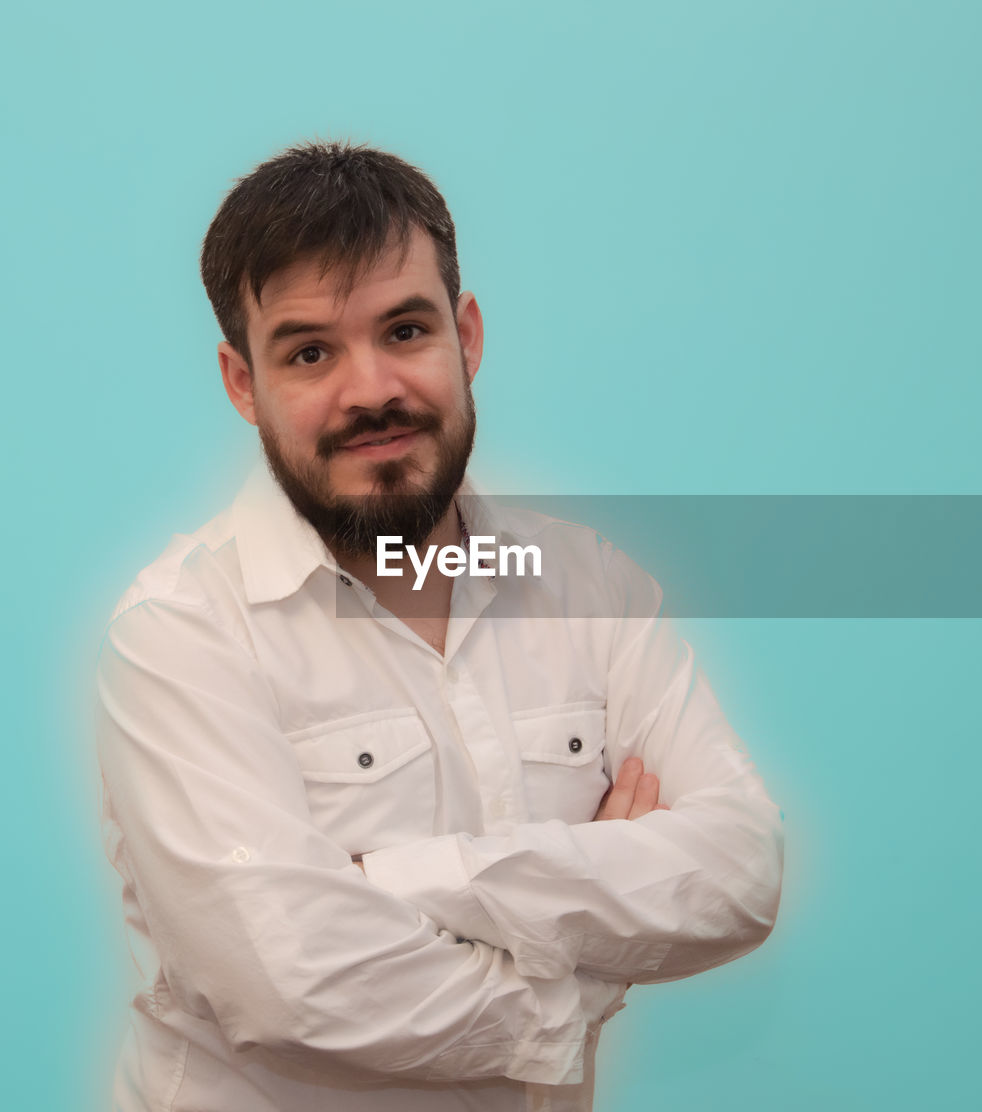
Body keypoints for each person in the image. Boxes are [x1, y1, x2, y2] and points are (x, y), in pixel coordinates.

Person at [94, 140, 784, 1112]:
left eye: (404, 330)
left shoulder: (591, 583)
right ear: (242, 382)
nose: (369, 387)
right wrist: (580, 978)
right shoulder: (178, 634)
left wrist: (400, 878)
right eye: (308, 351)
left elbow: (738, 869)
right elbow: (290, 984)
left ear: (465, 336)